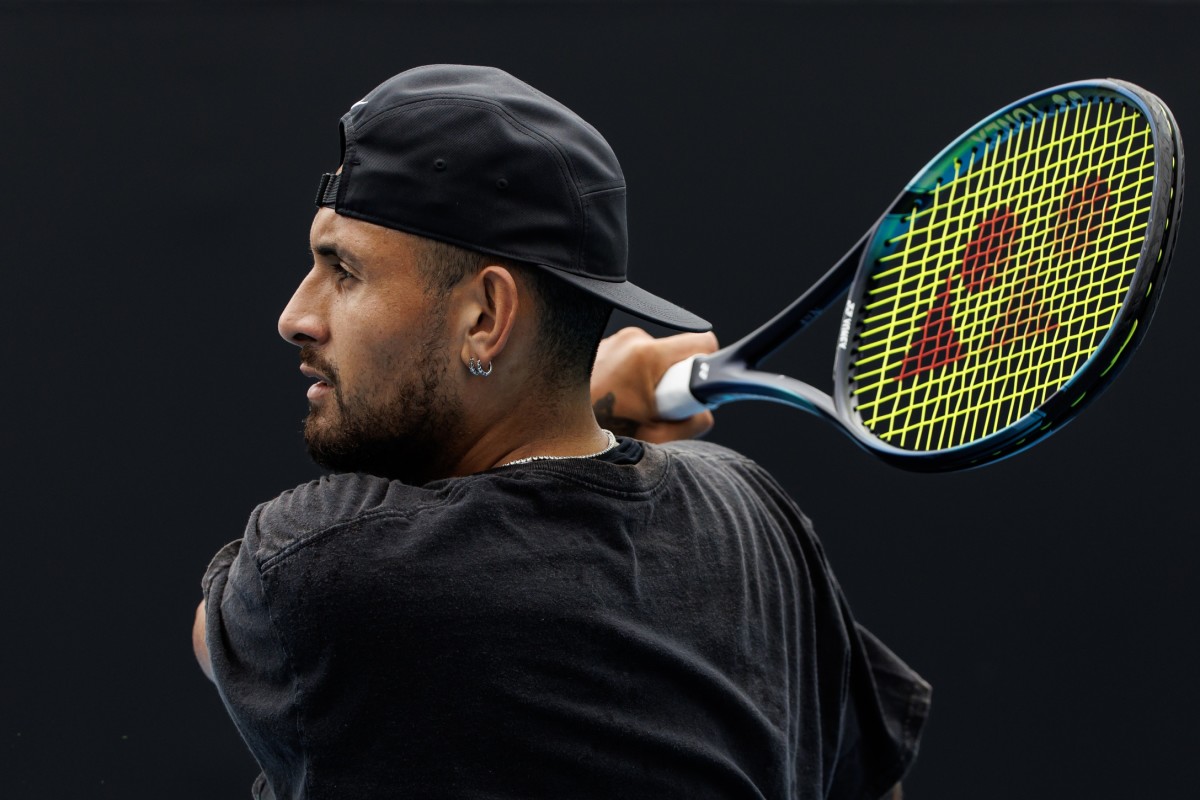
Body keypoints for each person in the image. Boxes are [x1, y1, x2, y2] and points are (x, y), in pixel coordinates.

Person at [193, 64, 930, 800]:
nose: (297, 314)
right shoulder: (754, 517)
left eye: (343, 270)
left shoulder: (329, 568)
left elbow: (215, 631)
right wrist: (588, 403)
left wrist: (600, 395)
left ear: (486, 319)